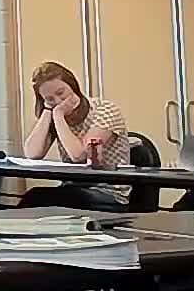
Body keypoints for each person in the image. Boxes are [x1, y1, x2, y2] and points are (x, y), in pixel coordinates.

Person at [17, 61, 130, 207]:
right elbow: (32, 154)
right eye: (49, 98)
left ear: (73, 86)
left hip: (108, 191)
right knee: (33, 197)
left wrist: (58, 115)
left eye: (61, 93)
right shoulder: (55, 112)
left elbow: (79, 155)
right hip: (73, 186)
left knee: (45, 199)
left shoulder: (105, 110)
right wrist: (48, 110)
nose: (58, 101)